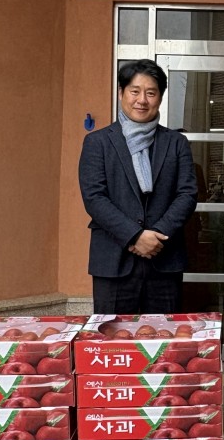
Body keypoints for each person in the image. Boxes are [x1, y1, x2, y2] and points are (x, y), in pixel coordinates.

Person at [78, 59, 197, 313]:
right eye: (135, 91)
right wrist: (135, 236)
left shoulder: (176, 142)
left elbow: (187, 194)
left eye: (151, 93)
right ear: (121, 93)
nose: (142, 100)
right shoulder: (97, 143)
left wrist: (156, 237)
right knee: (113, 334)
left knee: (165, 334)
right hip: (113, 260)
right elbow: (94, 197)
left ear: (160, 98)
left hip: (164, 258)